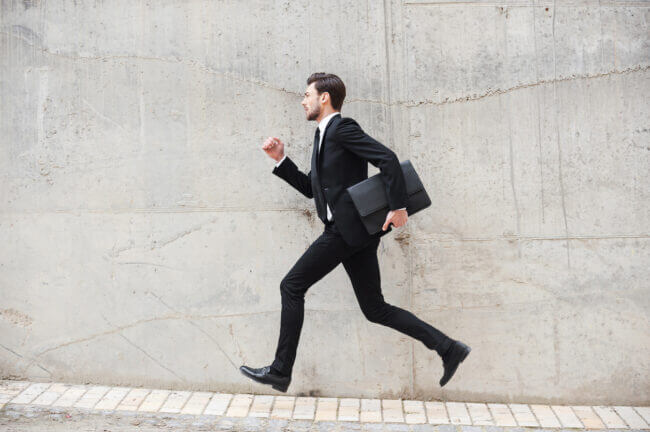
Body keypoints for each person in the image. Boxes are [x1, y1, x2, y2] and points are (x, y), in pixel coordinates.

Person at [240, 73, 470, 393]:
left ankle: (280, 371)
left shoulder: (342, 128)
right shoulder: (323, 136)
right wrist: (281, 161)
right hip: (356, 234)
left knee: (291, 286)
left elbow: (387, 159)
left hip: (344, 232)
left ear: (324, 98)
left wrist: (398, 206)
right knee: (375, 309)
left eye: (307, 95)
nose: (303, 101)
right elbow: (311, 189)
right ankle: (449, 348)